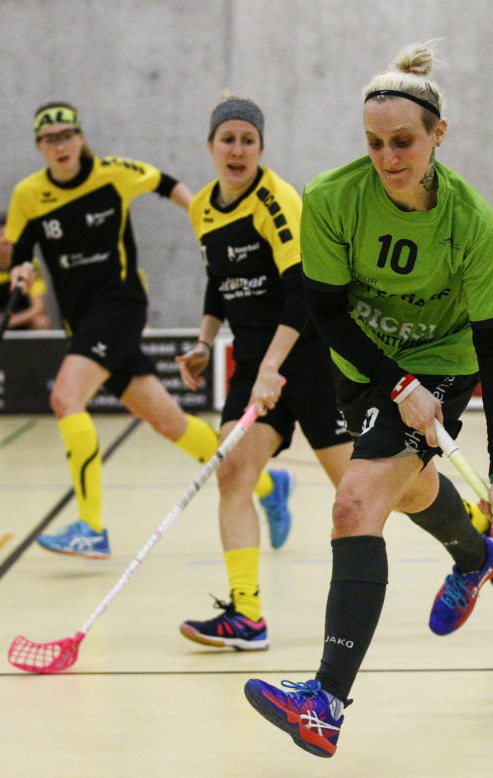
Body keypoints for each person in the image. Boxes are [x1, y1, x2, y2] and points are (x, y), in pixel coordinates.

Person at [243, 42, 493, 757]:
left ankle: (326, 702)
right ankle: (475, 552)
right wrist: (394, 385)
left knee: (355, 501)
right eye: (375, 144)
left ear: (438, 135)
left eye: (403, 142)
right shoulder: (336, 198)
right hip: (362, 362)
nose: (389, 158)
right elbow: (329, 311)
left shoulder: (474, 225)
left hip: (444, 362)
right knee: (403, 492)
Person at [174, 94, 351, 650]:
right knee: (232, 474)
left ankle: (473, 533)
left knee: (364, 492)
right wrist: (205, 341)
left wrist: (275, 367)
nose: (237, 149)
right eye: (227, 139)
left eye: (248, 140)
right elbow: (218, 280)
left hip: (309, 356)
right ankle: (246, 615)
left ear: (260, 148)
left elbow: (301, 291)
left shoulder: (277, 200)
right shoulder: (203, 206)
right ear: (210, 147)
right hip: (255, 361)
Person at [5, 100, 219, 559]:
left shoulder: (112, 174)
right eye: (50, 139)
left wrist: (205, 221)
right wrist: (21, 272)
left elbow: (167, 184)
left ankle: (91, 526)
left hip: (120, 306)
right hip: (82, 322)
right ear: (40, 147)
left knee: (65, 398)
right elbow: (22, 249)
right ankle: (265, 484)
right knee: (170, 422)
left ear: (80, 138)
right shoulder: (28, 195)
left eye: (67, 136)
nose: (60, 145)